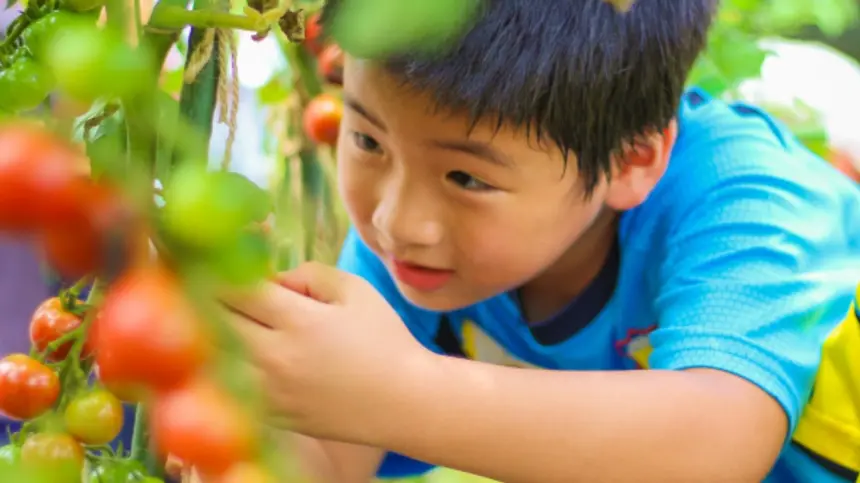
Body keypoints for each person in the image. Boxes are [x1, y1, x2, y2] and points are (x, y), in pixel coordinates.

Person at [215, 0, 860, 481]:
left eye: (467, 176)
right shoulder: (415, 261)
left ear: (631, 161)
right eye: (367, 141)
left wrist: (398, 387)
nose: (396, 221)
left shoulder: (742, 197)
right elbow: (329, 455)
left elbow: (720, 443)